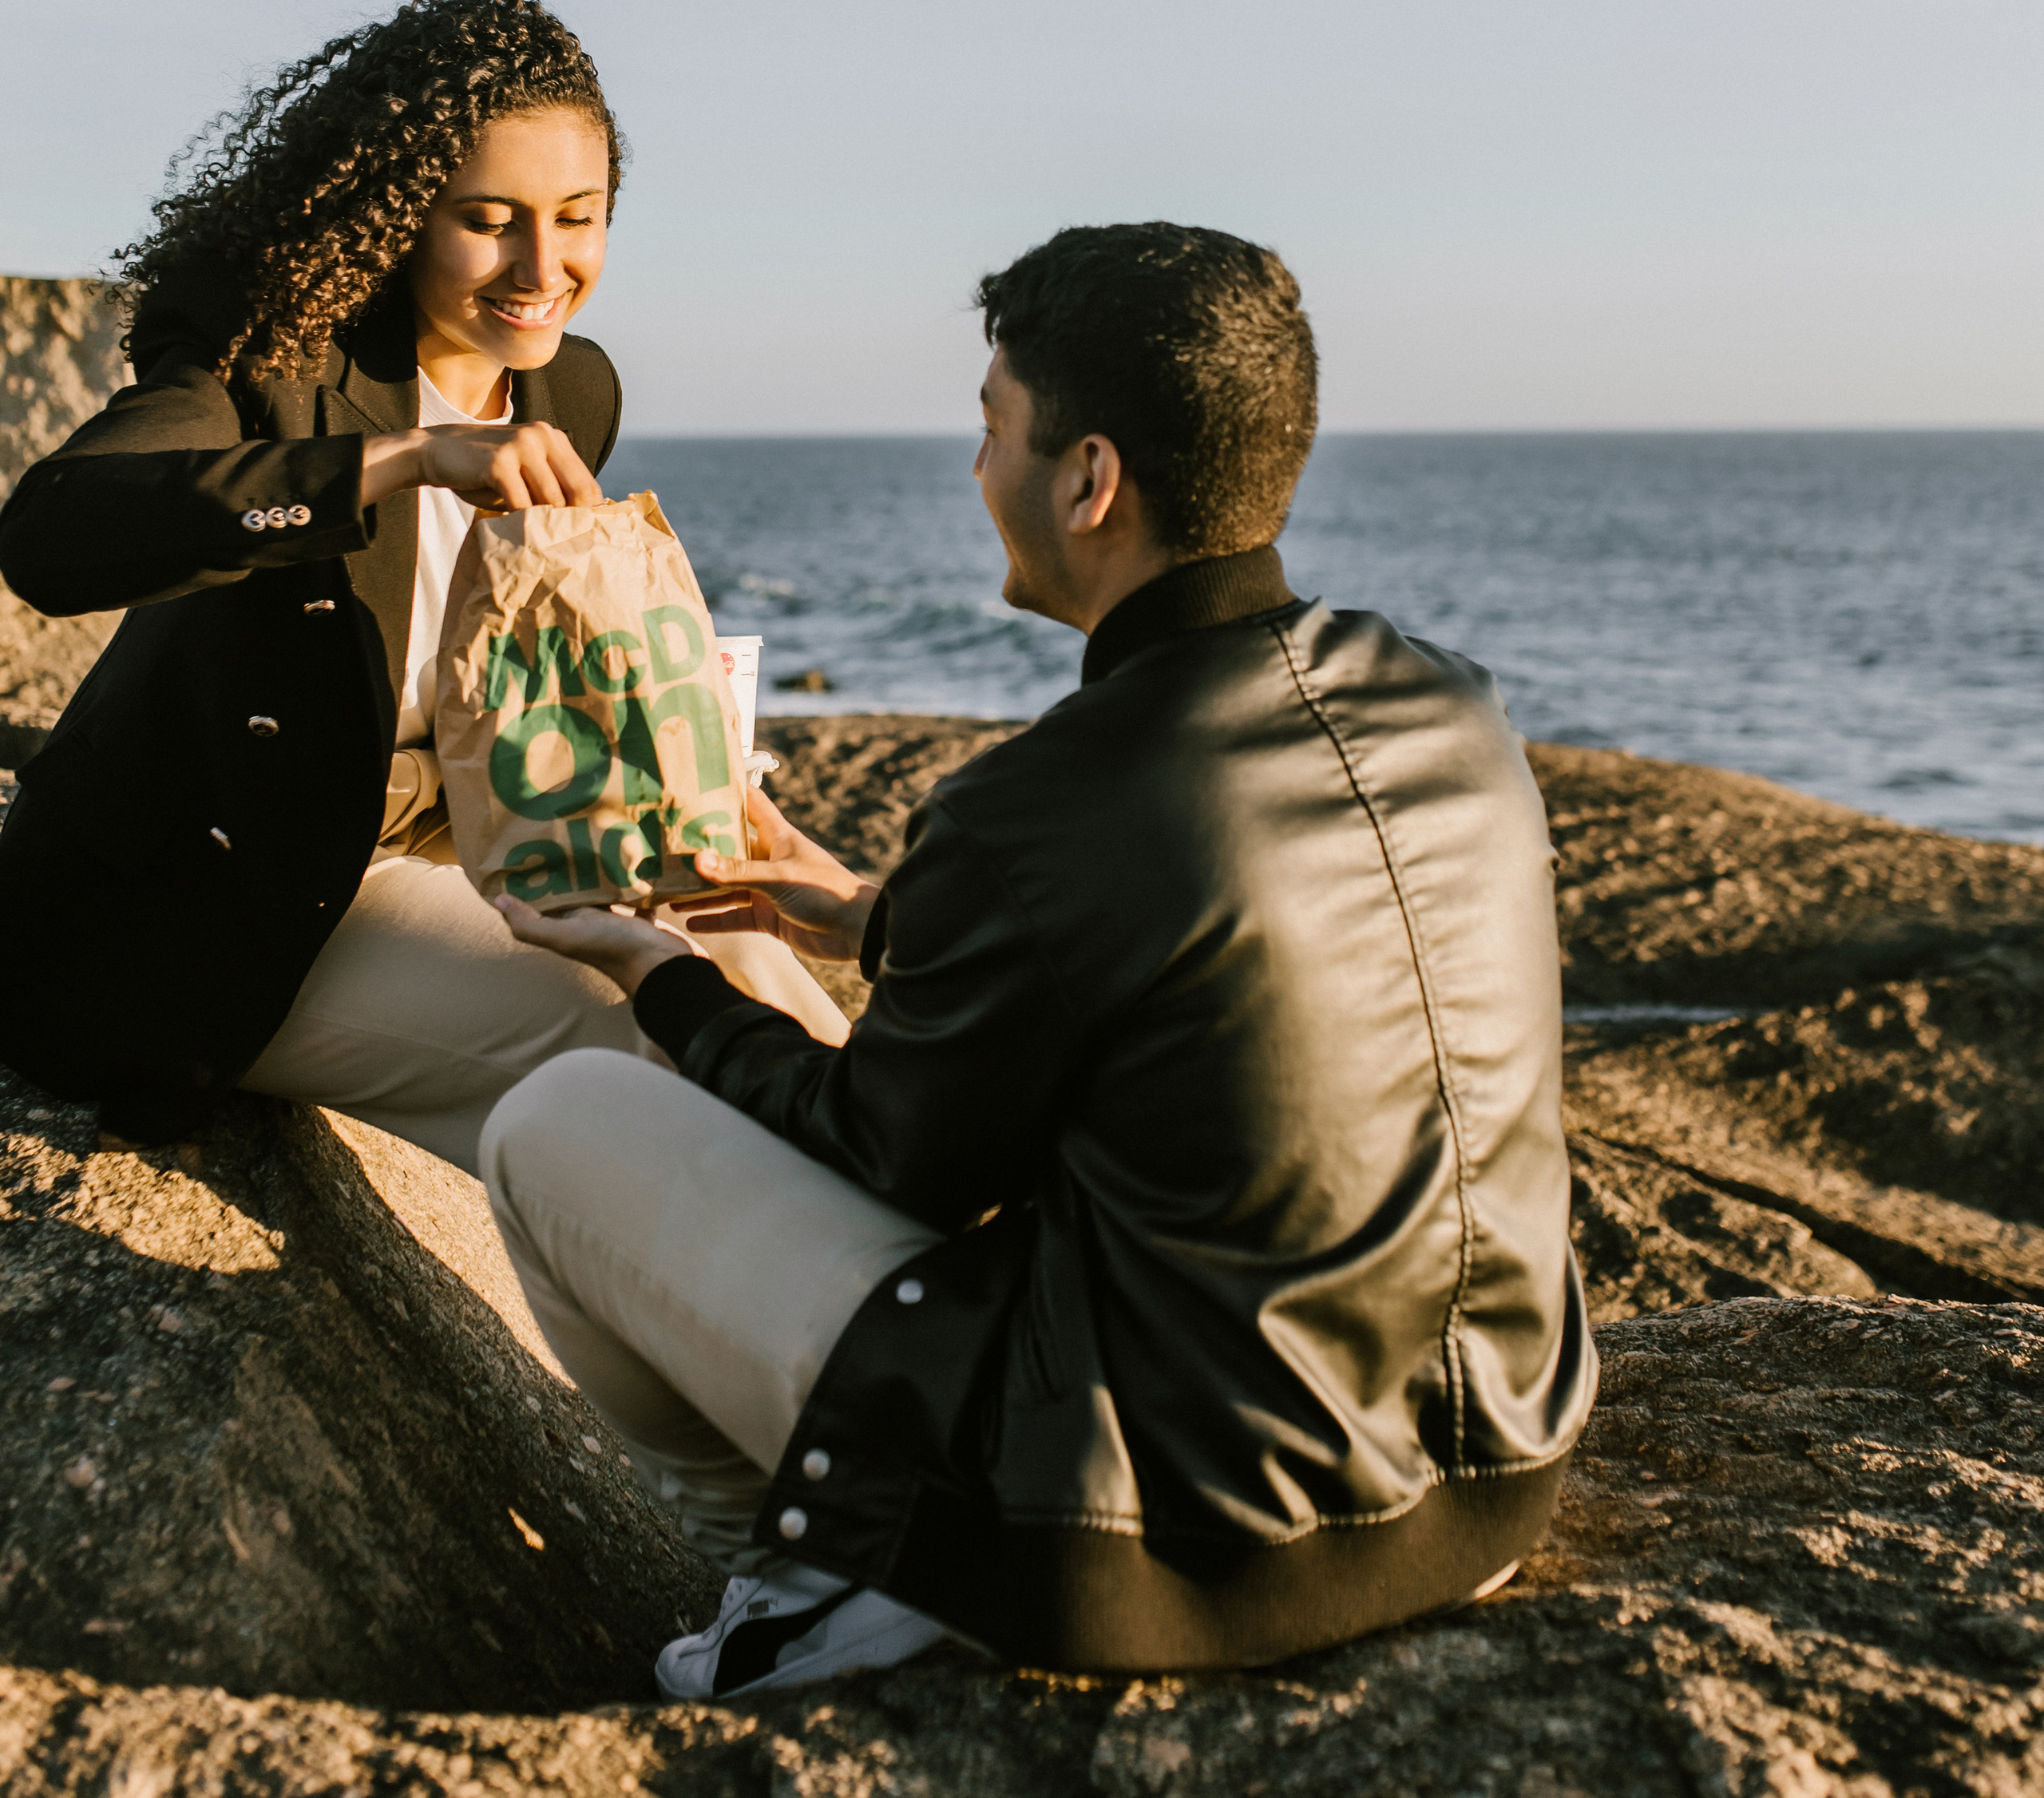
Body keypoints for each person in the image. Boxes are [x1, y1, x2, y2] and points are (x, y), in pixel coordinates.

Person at [481, 220, 1595, 1697]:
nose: (979, 468)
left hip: (1200, 1552)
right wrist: (868, 911)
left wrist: (655, 973)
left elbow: (891, 1161)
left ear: (1089, 480)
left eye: (993, 425)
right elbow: (1211, 959)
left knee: (551, 1122)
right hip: (1492, 1480)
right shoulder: (1448, 701)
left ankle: (811, 1580)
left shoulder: (1048, 804)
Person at [0, 0, 836, 1164]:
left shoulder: (574, 388)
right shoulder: (272, 363)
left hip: (443, 846)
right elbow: (54, 535)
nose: (542, 265)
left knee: (747, 954)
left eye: (579, 217)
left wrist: (667, 803)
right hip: (206, 911)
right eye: (489, 220)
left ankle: (928, 1220)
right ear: (398, 215)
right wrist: (402, 459)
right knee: (641, 1027)